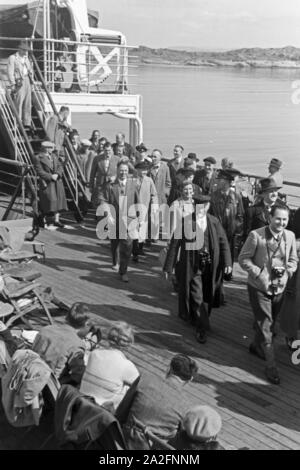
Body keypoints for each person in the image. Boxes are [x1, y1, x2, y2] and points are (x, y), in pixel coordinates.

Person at [238, 204, 298, 385]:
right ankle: (271, 366)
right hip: (259, 287)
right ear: (270, 218)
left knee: (267, 322)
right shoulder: (256, 236)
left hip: (279, 289)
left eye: (285, 219)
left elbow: (294, 260)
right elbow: (242, 259)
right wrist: (259, 273)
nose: (281, 222)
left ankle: (256, 346)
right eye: (278, 218)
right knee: (267, 325)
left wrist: (289, 271)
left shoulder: (290, 236)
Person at [163, 195, 232, 344]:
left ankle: (196, 317)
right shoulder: (186, 221)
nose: (201, 209)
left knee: (208, 293)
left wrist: (228, 263)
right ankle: (202, 328)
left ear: (208, 207)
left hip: (210, 266)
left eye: (205, 206)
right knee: (196, 295)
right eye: (198, 206)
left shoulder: (214, 222)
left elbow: (223, 242)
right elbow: (175, 244)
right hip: (192, 266)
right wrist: (169, 267)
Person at [123, 354, 199, 450]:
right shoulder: (186, 406)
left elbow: (121, 412)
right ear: (190, 379)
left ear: (169, 369)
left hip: (124, 441)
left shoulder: (144, 379)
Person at [32, 302, 98, 386]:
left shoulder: (45, 330)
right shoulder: (76, 344)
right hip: (50, 386)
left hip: (31, 374)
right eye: (91, 328)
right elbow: (78, 375)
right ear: (87, 324)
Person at [80, 322, 139, 410]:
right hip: (102, 412)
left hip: (81, 402)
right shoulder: (126, 365)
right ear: (128, 345)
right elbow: (139, 385)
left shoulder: (94, 353)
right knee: (128, 388)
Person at [98, 160, 140, 282]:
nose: (123, 173)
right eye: (121, 170)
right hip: (114, 220)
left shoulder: (133, 183)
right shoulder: (110, 184)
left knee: (127, 246)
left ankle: (123, 271)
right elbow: (103, 200)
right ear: (117, 170)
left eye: (126, 170)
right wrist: (107, 214)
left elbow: (138, 201)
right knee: (114, 244)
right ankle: (115, 261)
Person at [210, 169, 244, 261]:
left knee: (229, 262)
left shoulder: (237, 198)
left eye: (220, 179)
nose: (217, 181)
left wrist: (235, 232)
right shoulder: (213, 196)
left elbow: (240, 217)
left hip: (231, 236)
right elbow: (209, 215)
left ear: (226, 182)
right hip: (216, 234)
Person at [33, 141, 68, 229]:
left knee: (58, 202)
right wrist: (51, 176)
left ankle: (56, 220)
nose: (52, 150)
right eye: (51, 148)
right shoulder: (38, 158)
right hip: (47, 183)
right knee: (48, 201)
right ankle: (42, 219)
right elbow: (39, 171)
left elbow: (60, 166)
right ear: (46, 148)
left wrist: (57, 174)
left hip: (57, 181)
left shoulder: (54, 156)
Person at [132, 161, 158, 262]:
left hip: (144, 209)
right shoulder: (131, 180)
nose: (144, 172)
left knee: (142, 230)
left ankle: (140, 249)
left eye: (146, 170)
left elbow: (154, 194)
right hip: (133, 209)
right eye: (142, 170)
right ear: (137, 170)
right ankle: (134, 252)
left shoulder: (149, 180)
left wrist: (155, 205)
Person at [7, 40, 33, 134]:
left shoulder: (26, 59)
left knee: (27, 102)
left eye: (26, 50)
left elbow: (30, 69)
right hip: (19, 81)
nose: (26, 52)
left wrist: (32, 79)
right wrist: (13, 83)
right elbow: (10, 72)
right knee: (19, 102)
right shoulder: (13, 58)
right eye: (24, 50)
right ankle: (18, 123)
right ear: (20, 49)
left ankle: (27, 122)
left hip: (27, 80)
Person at [89, 141, 119, 208]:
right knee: (102, 206)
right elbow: (92, 173)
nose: (107, 152)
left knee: (113, 206)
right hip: (101, 187)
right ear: (103, 150)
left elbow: (120, 172)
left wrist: (115, 177)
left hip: (112, 187)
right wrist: (91, 186)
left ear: (112, 150)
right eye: (106, 150)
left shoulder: (117, 159)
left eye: (109, 150)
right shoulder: (97, 159)